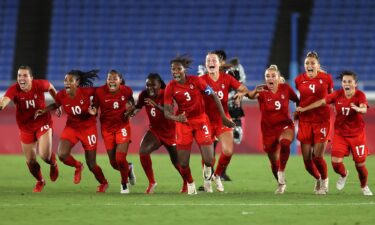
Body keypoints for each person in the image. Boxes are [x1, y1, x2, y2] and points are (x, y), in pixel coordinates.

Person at [164, 54, 235, 195]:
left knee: (209, 160)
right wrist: (176, 118)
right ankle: (190, 182)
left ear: (185, 70)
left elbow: (214, 95)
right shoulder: (170, 87)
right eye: (173, 69)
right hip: (183, 124)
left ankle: (208, 175)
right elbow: (167, 112)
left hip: (201, 121)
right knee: (183, 163)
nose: (175, 72)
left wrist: (223, 117)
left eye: (178, 69)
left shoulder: (196, 81)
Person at [296, 71, 372, 196]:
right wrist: (304, 108)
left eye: (349, 81)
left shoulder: (360, 95)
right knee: (336, 164)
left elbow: (363, 107)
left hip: (357, 136)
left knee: (360, 166)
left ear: (355, 84)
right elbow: (321, 102)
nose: (346, 84)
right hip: (340, 135)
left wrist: (360, 109)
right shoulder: (337, 94)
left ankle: (364, 186)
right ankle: (344, 174)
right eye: (344, 81)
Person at [35, 70, 108, 193]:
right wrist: (45, 110)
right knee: (62, 155)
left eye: (70, 80)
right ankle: (78, 166)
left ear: (77, 82)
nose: (66, 83)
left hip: (88, 129)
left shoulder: (88, 92)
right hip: (72, 127)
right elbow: (56, 104)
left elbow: (102, 93)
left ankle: (103, 182)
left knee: (92, 164)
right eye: (65, 80)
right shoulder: (61, 95)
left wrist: (95, 108)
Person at [0, 65, 59, 192]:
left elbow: (51, 88)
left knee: (44, 156)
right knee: (31, 161)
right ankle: (40, 181)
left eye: (25, 75)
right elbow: (4, 102)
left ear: (31, 78)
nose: (21, 78)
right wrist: (1, 105)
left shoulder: (40, 84)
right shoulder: (14, 89)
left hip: (43, 122)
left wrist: (58, 103)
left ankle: (53, 164)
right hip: (26, 128)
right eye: (19, 75)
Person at [200, 52, 248, 192]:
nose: (211, 62)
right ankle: (207, 181)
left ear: (219, 63)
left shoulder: (226, 78)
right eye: (208, 60)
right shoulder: (200, 80)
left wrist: (242, 93)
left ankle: (217, 176)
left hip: (223, 119)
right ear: (205, 64)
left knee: (228, 151)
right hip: (206, 122)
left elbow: (242, 88)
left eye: (214, 60)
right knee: (208, 156)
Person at [247, 65, 299, 194]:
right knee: (273, 161)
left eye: (272, 76)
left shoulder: (286, 88)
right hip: (268, 130)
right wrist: (254, 91)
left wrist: (298, 112)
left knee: (285, 143)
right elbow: (250, 96)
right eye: (267, 76)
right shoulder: (262, 90)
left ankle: (282, 170)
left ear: (278, 78)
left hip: (284, 126)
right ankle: (281, 183)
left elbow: (298, 100)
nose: (270, 78)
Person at [132, 73, 186, 194]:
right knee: (143, 151)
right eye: (147, 85)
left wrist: (156, 106)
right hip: (155, 131)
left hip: (170, 132)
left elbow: (169, 112)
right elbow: (138, 106)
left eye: (153, 85)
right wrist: (130, 114)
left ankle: (186, 182)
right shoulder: (144, 94)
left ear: (159, 85)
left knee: (176, 161)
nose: (150, 88)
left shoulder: (166, 94)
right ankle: (152, 182)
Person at [91, 70, 136, 194]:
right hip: (107, 129)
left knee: (120, 159)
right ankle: (129, 168)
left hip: (122, 127)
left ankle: (124, 183)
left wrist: (131, 111)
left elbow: (132, 104)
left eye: (115, 78)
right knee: (113, 163)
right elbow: (94, 107)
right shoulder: (99, 92)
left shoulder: (126, 90)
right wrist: (93, 112)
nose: (111, 80)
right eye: (109, 78)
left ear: (120, 81)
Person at [295, 51, 333, 194]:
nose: (309, 65)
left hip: (322, 121)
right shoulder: (299, 80)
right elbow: (301, 99)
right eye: (307, 63)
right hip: (305, 121)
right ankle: (317, 178)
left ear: (317, 65)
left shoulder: (327, 78)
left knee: (317, 157)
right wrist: (298, 111)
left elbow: (330, 97)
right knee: (306, 161)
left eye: (312, 63)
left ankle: (325, 180)